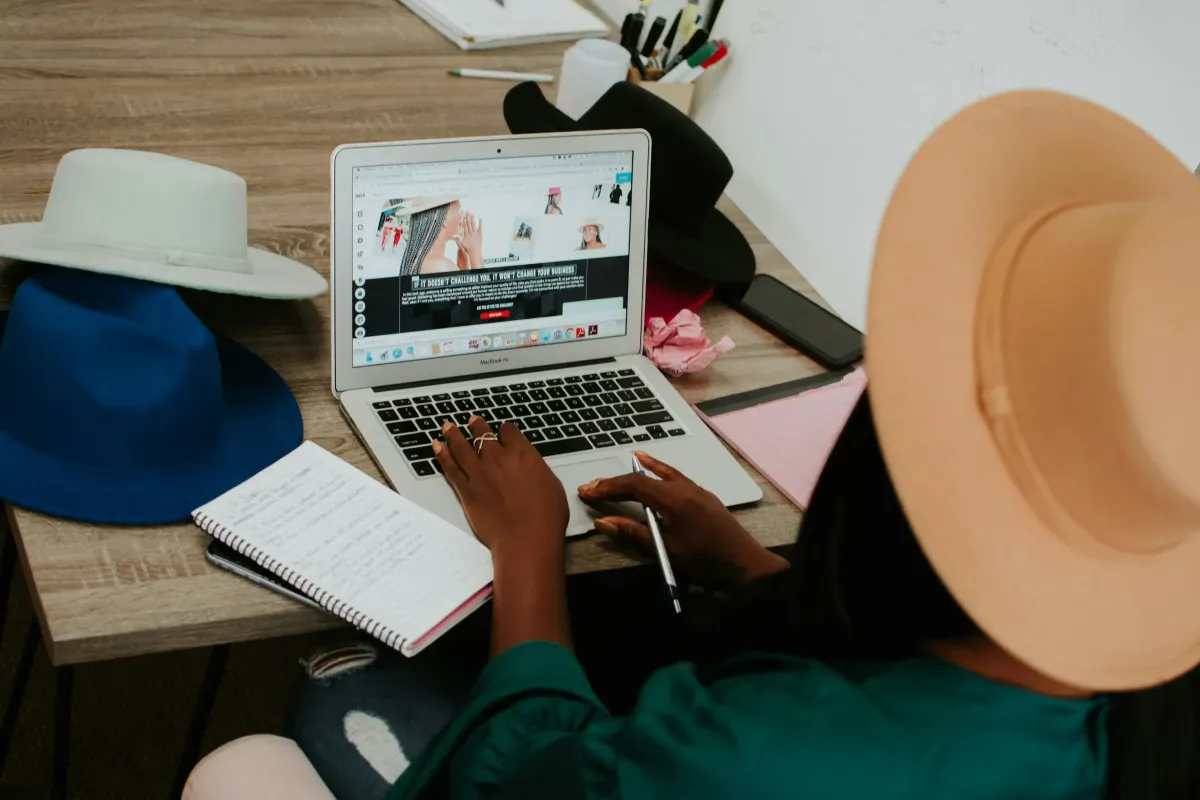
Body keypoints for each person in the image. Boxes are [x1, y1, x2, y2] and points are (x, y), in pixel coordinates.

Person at [288, 92, 1200, 799]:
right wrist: (756, 567)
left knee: (269, 743)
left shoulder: (751, 758)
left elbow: (519, 771)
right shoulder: (1139, 704)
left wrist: (527, 550)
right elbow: (951, 672)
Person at [397, 198, 482, 275]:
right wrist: (475, 251)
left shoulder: (419, 262)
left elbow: (461, 288)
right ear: (444, 219)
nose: (463, 214)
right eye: (459, 206)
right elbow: (484, 290)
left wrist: (463, 253)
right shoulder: (443, 267)